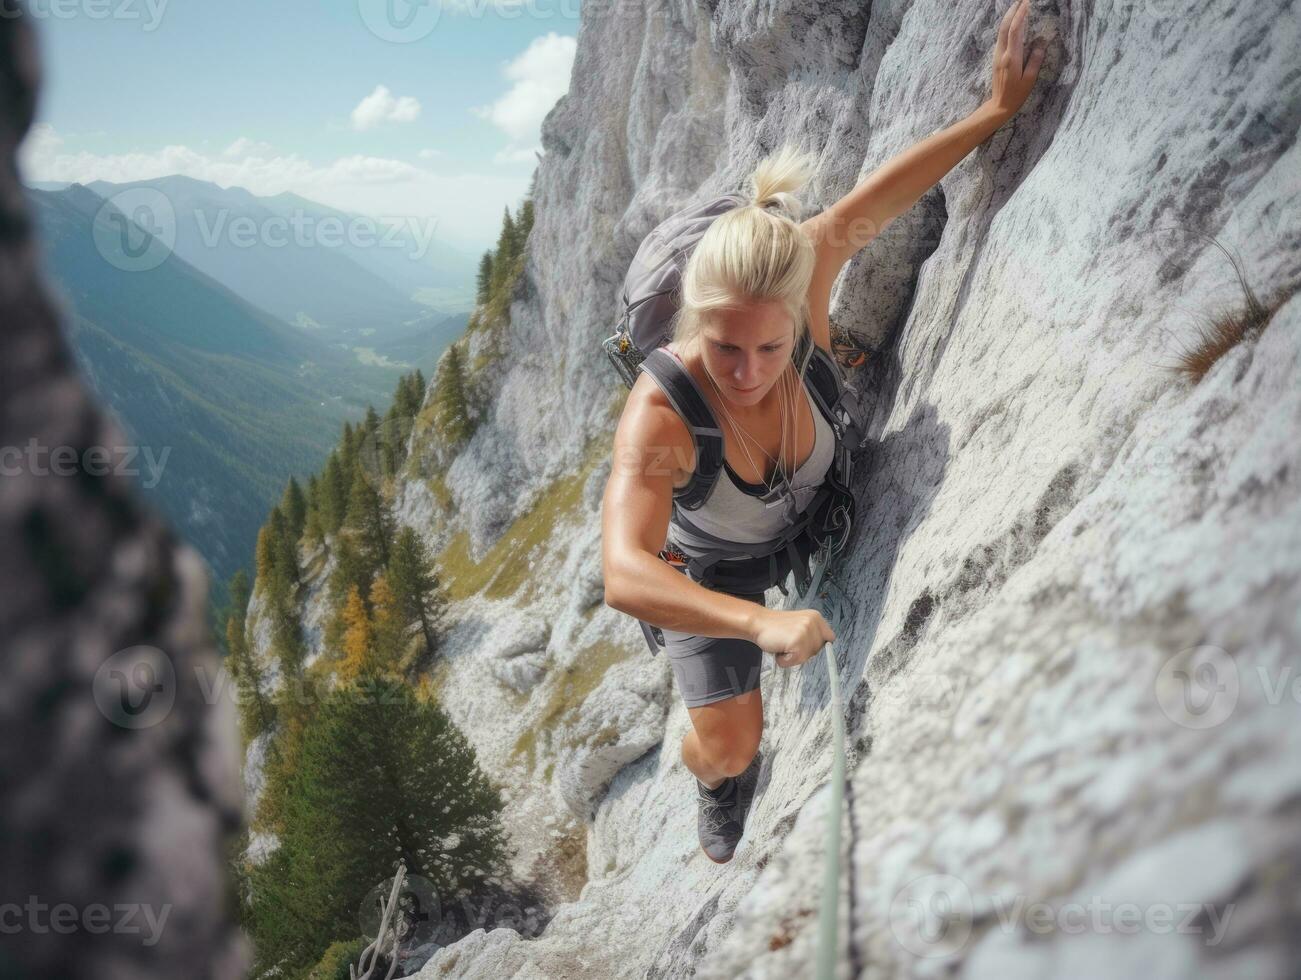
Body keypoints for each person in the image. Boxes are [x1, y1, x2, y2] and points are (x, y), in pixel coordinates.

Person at [601, 0, 1046, 863]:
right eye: (724, 346)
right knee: (730, 744)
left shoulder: (802, 270)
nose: (748, 369)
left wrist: (995, 113)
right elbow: (624, 571)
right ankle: (709, 778)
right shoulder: (661, 412)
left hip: (820, 500)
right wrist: (758, 626)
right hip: (712, 568)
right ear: (694, 320)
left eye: (771, 346)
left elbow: (888, 192)